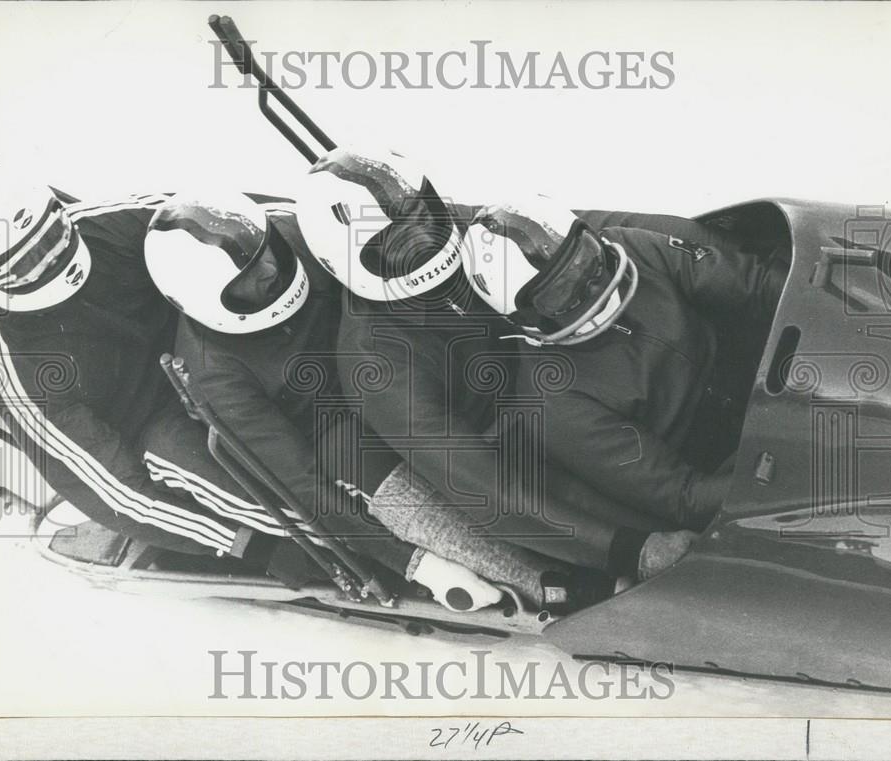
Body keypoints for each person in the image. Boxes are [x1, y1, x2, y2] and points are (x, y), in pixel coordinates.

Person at [297, 146, 698, 596]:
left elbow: (578, 227)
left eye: (422, 219)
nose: (422, 241)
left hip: (566, 376)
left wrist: (702, 240)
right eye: (398, 244)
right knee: (678, 518)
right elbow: (476, 481)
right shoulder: (377, 363)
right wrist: (628, 549)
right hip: (521, 452)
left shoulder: (458, 229)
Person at [142, 191, 507, 611]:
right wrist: (417, 564)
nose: (270, 269)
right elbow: (299, 482)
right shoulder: (213, 371)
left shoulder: (296, 237)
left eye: (267, 252)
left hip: (391, 367)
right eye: (247, 276)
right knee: (353, 459)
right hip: (339, 436)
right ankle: (536, 575)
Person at [458, 196, 789, 535]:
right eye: (562, 291)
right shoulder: (553, 403)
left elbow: (755, 284)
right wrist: (780, 471)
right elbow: (683, 496)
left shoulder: (627, 246)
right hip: (733, 454)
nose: (595, 284)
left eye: (585, 259)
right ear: (528, 315)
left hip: (776, 367)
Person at [0, 163, 252, 560]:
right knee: (198, 458)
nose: (52, 264)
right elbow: (112, 489)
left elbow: (243, 223)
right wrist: (246, 545)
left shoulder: (114, 224)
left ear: (62, 217)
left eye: (53, 241)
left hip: (219, 353)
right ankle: (325, 542)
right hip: (156, 430)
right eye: (28, 264)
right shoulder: (13, 366)